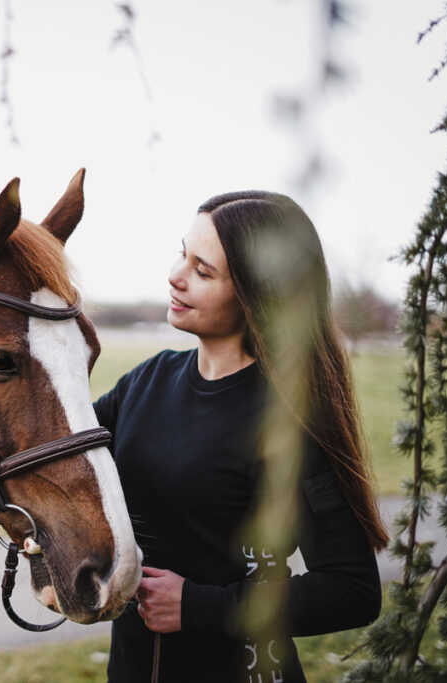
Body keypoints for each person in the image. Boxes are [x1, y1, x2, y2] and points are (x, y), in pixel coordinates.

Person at [94, 191, 388, 682]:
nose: (176, 275)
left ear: (257, 294)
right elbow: (58, 455)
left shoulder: (291, 419)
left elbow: (352, 589)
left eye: (203, 271)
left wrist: (199, 605)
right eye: (182, 253)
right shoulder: (146, 382)